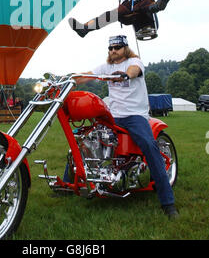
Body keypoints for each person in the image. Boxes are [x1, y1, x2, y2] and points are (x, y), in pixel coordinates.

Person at [75, 34, 179, 219]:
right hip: (113, 115)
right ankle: (69, 184)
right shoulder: (106, 66)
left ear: (125, 48)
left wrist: (124, 75)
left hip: (134, 115)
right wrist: (66, 79)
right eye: (110, 48)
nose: (113, 51)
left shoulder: (134, 62)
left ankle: (168, 203)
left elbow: (133, 70)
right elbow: (86, 76)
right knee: (83, 137)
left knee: (149, 145)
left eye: (117, 47)